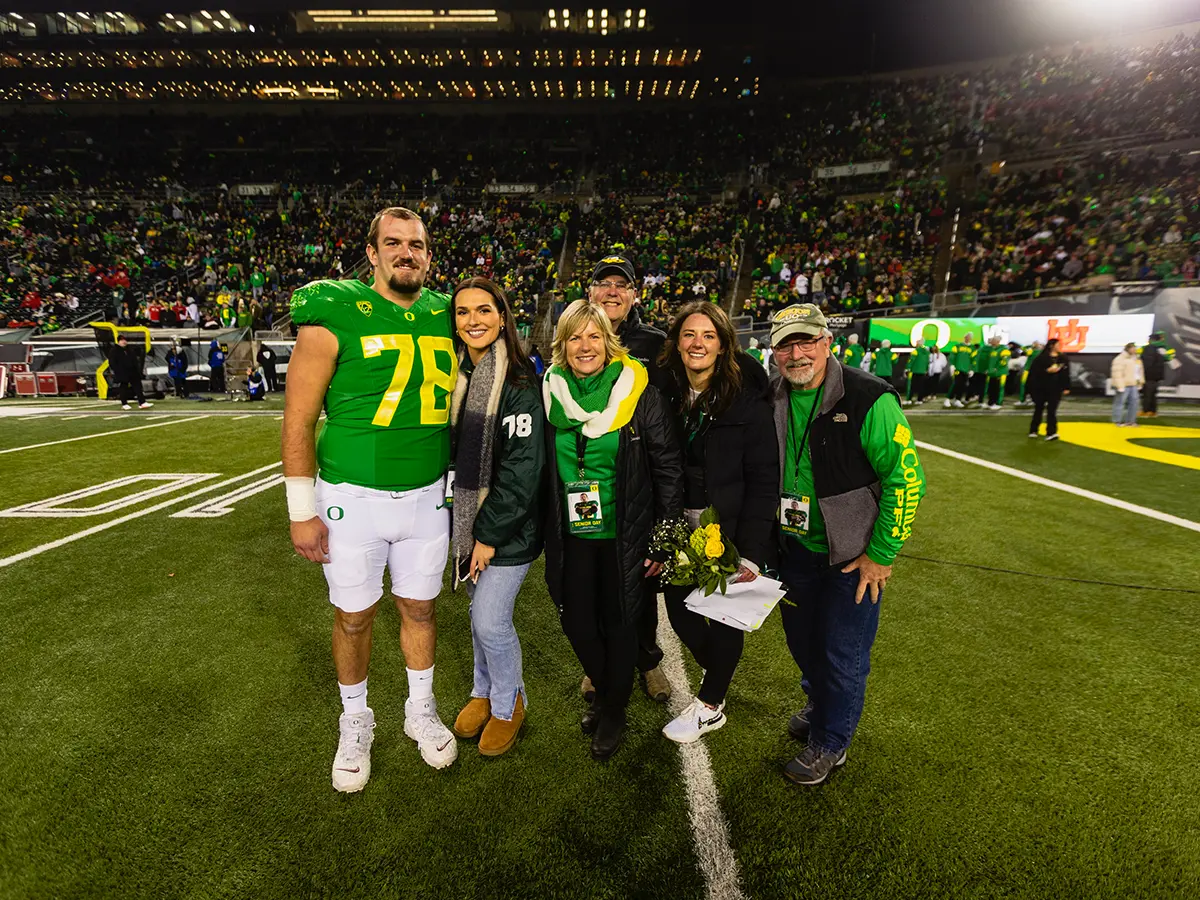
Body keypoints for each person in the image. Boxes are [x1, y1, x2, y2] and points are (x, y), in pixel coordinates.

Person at [282, 206, 459, 793]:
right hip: (350, 498)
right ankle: (355, 718)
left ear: (429, 254)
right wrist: (299, 509)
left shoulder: (445, 312)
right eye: (395, 243)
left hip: (427, 496)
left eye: (418, 244)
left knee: (421, 610)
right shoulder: (335, 309)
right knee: (354, 617)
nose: (408, 252)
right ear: (373, 251)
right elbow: (299, 417)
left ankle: (419, 708)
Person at [768, 304, 925, 786]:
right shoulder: (767, 394)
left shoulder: (869, 397)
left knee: (842, 652)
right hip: (792, 549)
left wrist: (880, 554)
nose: (797, 354)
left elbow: (907, 478)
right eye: (786, 345)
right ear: (773, 352)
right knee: (802, 641)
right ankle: (821, 703)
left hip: (850, 557)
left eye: (806, 342)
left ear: (827, 343)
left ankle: (831, 742)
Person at [542, 298, 683, 761]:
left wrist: (663, 538)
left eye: (594, 335)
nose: (585, 346)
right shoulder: (551, 390)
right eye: (575, 337)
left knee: (621, 623)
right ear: (562, 346)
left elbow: (667, 469)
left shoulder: (639, 392)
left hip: (626, 532)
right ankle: (606, 691)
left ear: (609, 341)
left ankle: (614, 708)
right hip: (572, 535)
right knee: (576, 621)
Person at [655, 300, 779, 744]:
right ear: (676, 342)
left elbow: (765, 479)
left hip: (731, 526)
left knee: (726, 617)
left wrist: (752, 551)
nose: (698, 343)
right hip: (681, 523)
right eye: (690, 334)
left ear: (725, 345)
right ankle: (719, 671)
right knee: (680, 611)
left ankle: (710, 705)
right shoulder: (666, 390)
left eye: (709, 336)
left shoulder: (748, 400)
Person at [447, 277, 545, 758]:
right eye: (463, 313)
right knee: (476, 616)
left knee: (490, 621)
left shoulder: (521, 383)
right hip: (467, 524)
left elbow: (522, 473)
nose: (473, 321)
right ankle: (482, 691)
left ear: (502, 317)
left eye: (483, 310)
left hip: (507, 531)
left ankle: (510, 704)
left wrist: (485, 536)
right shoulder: (459, 377)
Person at [586, 252, 673, 704]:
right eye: (605, 283)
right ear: (591, 292)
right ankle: (597, 660)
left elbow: (666, 414)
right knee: (595, 576)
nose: (613, 291)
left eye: (622, 285)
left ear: (635, 294)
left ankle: (649, 661)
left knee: (641, 578)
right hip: (590, 478)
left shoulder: (656, 343)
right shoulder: (577, 337)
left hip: (639, 480)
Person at [1027, 338, 1070, 441]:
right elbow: (1034, 373)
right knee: (1039, 408)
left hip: (1056, 388)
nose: (1059, 346)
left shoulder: (1063, 358)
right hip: (1041, 387)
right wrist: (1046, 371)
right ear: (1051, 345)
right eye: (1058, 344)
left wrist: (1066, 387)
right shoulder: (1041, 358)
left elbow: (1066, 374)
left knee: (1052, 410)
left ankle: (1051, 432)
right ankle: (1034, 429)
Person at [111, 334, 153, 410]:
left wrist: (137, 369)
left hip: (133, 371)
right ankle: (124, 403)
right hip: (122, 372)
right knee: (124, 387)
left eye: (125, 340)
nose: (124, 342)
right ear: (118, 341)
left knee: (138, 387)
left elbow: (134, 360)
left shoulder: (129, 349)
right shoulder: (114, 350)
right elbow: (112, 363)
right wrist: (118, 371)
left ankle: (142, 402)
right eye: (122, 340)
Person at [1139, 332, 1175, 418]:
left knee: (1147, 394)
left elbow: (1146, 362)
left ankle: (1146, 411)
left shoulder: (1148, 348)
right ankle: (1152, 411)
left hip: (1148, 374)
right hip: (1157, 375)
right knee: (1152, 394)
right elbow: (1167, 358)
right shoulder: (1162, 349)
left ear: (1151, 340)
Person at [1110, 342, 1143, 427]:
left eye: (1135, 348)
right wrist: (1120, 385)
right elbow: (1117, 373)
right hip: (1124, 384)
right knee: (1120, 402)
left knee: (1134, 403)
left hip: (1133, 384)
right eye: (1133, 348)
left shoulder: (1136, 359)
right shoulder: (1120, 359)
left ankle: (1131, 421)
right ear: (1128, 349)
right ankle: (1117, 421)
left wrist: (1140, 382)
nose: (1135, 350)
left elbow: (1139, 372)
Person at [943, 332, 974, 408]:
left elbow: (973, 359)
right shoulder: (957, 346)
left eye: (970, 337)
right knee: (956, 384)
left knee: (962, 385)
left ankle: (958, 400)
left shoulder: (972, 348)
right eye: (967, 336)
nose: (968, 338)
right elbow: (952, 356)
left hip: (966, 370)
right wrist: (953, 365)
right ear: (965, 337)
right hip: (958, 368)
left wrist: (971, 369)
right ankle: (948, 399)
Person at [985, 336, 1012, 410]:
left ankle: (998, 403)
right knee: (991, 388)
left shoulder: (1004, 350)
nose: (991, 342)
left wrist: (996, 368)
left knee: (999, 388)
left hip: (1000, 372)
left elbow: (1004, 361)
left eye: (993, 340)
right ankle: (991, 402)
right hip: (992, 373)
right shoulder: (992, 349)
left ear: (997, 341)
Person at [903, 337, 930, 405]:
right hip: (922, 371)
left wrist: (907, 368)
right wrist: (926, 369)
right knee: (921, 386)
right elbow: (927, 362)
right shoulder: (927, 352)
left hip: (914, 370)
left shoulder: (916, 351)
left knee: (911, 386)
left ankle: (909, 399)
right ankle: (919, 400)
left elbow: (911, 360)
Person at [1017, 341, 1043, 407]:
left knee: (1036, 386)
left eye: (1039, 345)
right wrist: (1031, 346)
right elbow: (1022, 348)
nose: (1038, 345)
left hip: (1036, 372)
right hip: (1027, 370)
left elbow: (1024, 349)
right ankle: (1023, 400)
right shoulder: (1031, 351)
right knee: (1023, 385)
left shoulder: (1040, 352)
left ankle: (1033, 400)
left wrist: (1031, 346)